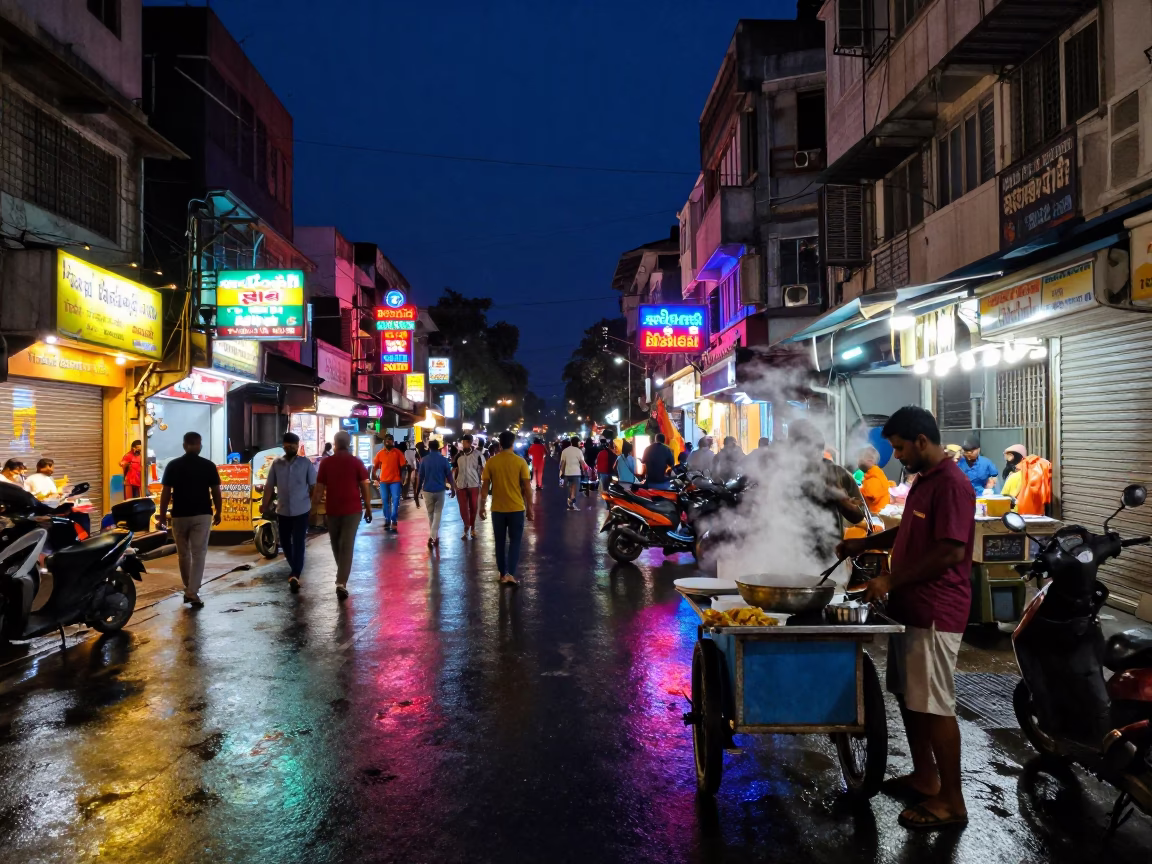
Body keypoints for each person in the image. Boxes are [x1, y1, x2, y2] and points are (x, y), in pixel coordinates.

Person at [838, 406, 975, 832]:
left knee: (934, 706)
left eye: (899, 447)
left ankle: (951, 800)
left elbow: (950, 551)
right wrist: (865, 544)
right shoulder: (923, 481)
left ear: (921, 440)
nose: (895, 455)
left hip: (936, 609)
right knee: (910, 697)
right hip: (910, 608)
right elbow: (910, 532)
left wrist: (890, 580)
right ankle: (925, 776)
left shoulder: (952, 485)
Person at [157, 432, 222, 607]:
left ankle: (189, 588)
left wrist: (162, 516)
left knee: (183, 554)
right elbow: (216, 490)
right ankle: (192, 591)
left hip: (179, 515)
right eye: (197, 444)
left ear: (184, 445)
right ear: (198, 445)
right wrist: (219, 511)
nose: (197, 447)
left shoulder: (173, 465)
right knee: (198, 554)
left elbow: (165, 493)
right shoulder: (208, 465)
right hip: (202, 514)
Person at [787, 420, 865, 563]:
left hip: (828, 554)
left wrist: (841, 499)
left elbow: (859, 517)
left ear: (819, 449)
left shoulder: (837, 474)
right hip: (788, 553)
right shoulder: (782, 475)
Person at [313, 431, 372, 600]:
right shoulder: (356, 462)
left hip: (333, 510)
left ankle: (341, 581)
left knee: (337, 544)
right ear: (349, 443)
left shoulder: (326, 463)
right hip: (352, 510)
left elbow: (319, 488)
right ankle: (342, 578)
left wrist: (313, 508)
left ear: (335, 443)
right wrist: (367, 507)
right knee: (345, 545)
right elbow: (364, 487)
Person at [262, 432, 318, 593]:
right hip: (283, 510)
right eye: (287, 445)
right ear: (284, 446)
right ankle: (295, 568)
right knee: (285, 542)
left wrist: (313, 507)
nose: (290, 447)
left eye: (293, 445)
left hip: (302, 509)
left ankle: (295, 573)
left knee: (299, 542)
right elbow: (269, 486)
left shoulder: (305, 463)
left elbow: (313, 486)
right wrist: (264, 504)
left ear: (297, 445)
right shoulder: (276, 464)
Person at [478, 430, 533, 585]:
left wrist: (481, 507)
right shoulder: (520, 462)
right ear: (513, 443)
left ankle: (502, 574)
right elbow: (527, 488)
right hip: (516, 508)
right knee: (515, 542)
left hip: (498, 509)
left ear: (500, 444)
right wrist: (530, 509)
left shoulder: (491, 462)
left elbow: (484, 487)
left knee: (500, 542)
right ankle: (511, 573)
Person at [415, 439, 457, 548]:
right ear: (439, 448)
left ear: (429, 448)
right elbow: (449, 476)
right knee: (437, 514)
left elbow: (420, 478)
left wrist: (416, 492)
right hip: (440, 490)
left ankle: (434, 536)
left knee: (430, 515)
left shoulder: (424, 460)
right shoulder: (443, 461)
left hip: (427, 490)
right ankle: (434, 536)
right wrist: (453, 488)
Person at [372, 435, 407, 530]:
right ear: (384, 442)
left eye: (390, 441)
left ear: (393, 442)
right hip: (383, 481)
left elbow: (403, 466)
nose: (389, 442)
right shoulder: (380, 454)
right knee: (385, 501)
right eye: (387, 441)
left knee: (395, 501)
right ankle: (387, 519)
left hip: (395, 481)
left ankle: (394, 519)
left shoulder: (398, 453)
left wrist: (403, 478)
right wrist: (374, 476)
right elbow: (375, 467)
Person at [454, 434, 485, 539]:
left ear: (471, 442)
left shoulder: (478, 455)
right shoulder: (458, 456)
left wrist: (483, 482)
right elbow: (455, 470)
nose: (464, 444)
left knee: (473, 507)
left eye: (466, 442)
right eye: (463, 442)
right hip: (461, 485)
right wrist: (454, 484)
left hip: (474, 484)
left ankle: (472, 529)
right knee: (463, 508)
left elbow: (483, 469)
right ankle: (466, 526)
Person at [857, 445, 891, 515]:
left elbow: (871, 494)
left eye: (860, 459)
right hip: (876, 513)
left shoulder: (874, 476)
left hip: (877, 514)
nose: (858, 462)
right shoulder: (873, 473)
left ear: (870, 461)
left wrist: (857, 491)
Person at [559, 435, 587, 510]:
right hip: (576, 473)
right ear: (577, 442)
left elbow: (562, 463)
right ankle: (572, 501)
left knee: (568, 488)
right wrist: (584, 472)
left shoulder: (565, 451)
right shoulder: (579, 451)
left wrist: (561, 473)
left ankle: (569, 501)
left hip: (567, 473)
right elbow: (582, 463)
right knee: (575, 488)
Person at [594, 439, 616, 508]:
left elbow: (597, 462)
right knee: (611, 488)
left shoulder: (601, 452)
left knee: (605, 488)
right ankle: (610, 503)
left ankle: (608, 504)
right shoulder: (615, 454)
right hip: (611, 473)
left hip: (603, 472)